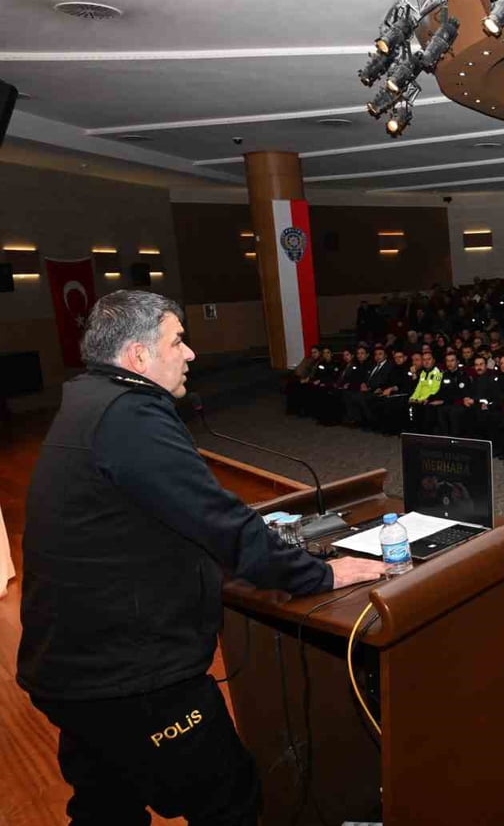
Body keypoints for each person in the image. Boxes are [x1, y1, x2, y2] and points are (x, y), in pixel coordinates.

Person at [18, 291, 385, 825]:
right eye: (178, 340)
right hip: (130, 677)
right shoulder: (129, 415)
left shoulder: (87, 400)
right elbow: (217, 522)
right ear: (139, 357)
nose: (190, 353)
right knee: (228, 800)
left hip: (71, 667)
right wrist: (322, 571)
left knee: (106, 807)